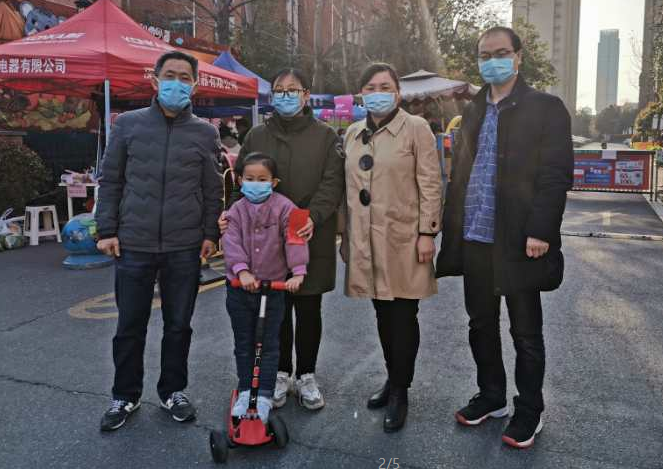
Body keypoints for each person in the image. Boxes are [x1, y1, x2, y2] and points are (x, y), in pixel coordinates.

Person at [436, 26, 573, 450]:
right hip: (475, 235)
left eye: (500, 52)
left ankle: (529, 409)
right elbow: (461, 174)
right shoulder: (473, 110)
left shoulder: (545, 108)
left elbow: (555, 175)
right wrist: (450, 227)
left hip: (518, 239)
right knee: (480, 323)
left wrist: (540, 230)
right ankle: (491, 395)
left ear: (518, 57)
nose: (491, 61)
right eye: (484, 54)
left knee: (525, 331)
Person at [96, 51, 222, 431]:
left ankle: (173, 391)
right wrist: (107, 230)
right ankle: (125, 395)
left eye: (185, 77)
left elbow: (212, 188)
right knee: (129, 325)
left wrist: (210, 234)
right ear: (154, 79)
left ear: (195, 85)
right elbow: (111, 180)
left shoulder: (205, 133)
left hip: (185, 245)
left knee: (179, 325)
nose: (176, 83)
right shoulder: (127, 125)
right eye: (170, 75)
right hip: (134, 242)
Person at [220, 68, 344, 412]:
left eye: (293, 89)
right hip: (263, 239)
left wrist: (313, 217)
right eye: (279, 90)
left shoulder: (325, 136)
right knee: (275, 308)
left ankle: (306, 374)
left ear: (306, 95)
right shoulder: (257, 135)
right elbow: (241, 180)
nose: (286, 95)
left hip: (308, 231)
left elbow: (332, 182)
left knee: (308, 306)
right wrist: (231, 213)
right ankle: (281, 373)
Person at [342, 62, 442, 432]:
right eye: (370, 87)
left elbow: (431, 182)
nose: (377, 93)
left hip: (404, 238)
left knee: (402, 315)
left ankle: (401, 389)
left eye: (385, 86)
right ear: (361, 94)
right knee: (383, 314)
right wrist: (345, 238)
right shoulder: (353, 133)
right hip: (366, 239)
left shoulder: (416, 128)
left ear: (398, 93)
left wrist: (427, 232)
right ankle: (392, 377)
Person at [222, 153, 308, 421]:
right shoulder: (235, 210)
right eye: (250, 179)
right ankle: (246, 390)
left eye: (262, 179)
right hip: (239, 288)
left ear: (274, 182)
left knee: (269, 346)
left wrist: (298, 272)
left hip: (272, 290)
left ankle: (265, 395)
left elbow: (295, 238)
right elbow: (231, 242)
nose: (255, 184)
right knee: (244, 343)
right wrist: (242, 271)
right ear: (240, 180)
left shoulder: (286, 207)